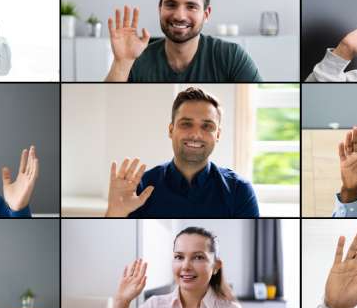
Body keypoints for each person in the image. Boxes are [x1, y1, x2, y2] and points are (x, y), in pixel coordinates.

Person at [104, 87, 259, 218]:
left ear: (217, 135)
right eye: (186, 124)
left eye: (207, 126)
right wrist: (115, 212)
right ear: (171, 130)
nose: (195, 135)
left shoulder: (239, 191)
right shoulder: (138, 188)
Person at [101, 226, 255, 308]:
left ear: (216, 266)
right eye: (179, 257)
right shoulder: (153, 307)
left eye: (198, 257)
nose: (186, 266)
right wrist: (122, 301)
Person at [104, 0, 261, 83]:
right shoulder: (137, 57)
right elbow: (110, 104)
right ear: (160, 9)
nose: (179, 16)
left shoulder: (231, 57)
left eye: (191, 6)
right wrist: (122, 63)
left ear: (206, 14)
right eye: (171, 5)